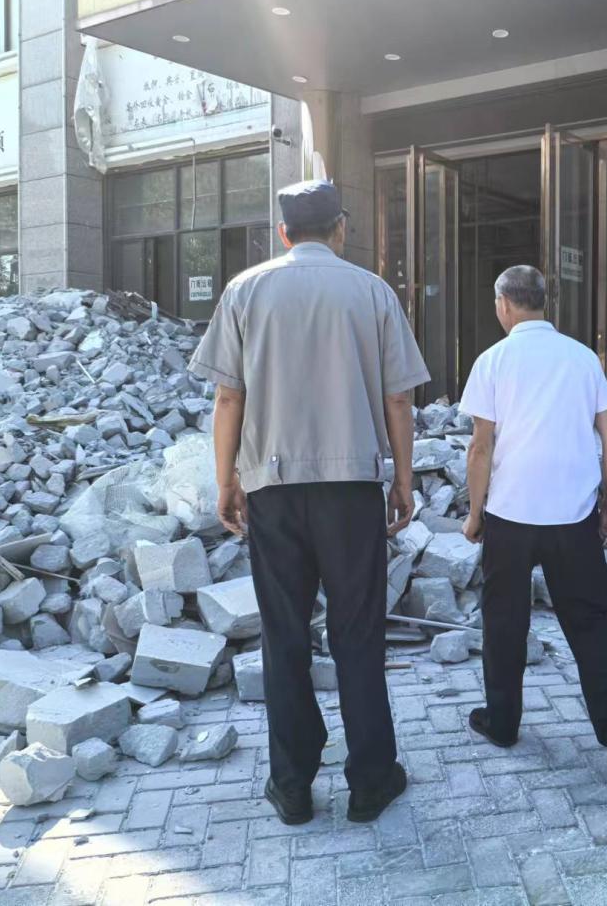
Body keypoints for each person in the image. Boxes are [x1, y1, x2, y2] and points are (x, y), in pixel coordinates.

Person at [188, 180, 429, 825]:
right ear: (340, 227)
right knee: (359, 633)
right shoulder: (372, 292)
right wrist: (402, 480)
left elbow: (228, 398)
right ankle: (371, 780)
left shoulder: (245, 290)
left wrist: (227, 480)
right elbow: (399, 398)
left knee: (285, 634)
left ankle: (292, 785)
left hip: (273, 489)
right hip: (351, 490)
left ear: (283, 232)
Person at [459, 265, 607, 776]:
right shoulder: (582, 358)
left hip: (510, 516)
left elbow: (480, 447)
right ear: (545, 301)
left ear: (503, 304)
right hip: (573, 516)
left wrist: (474, 513)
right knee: (591, 623)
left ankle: (503, 721)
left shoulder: (493, 360)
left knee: (504, 623)